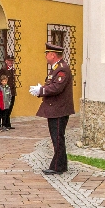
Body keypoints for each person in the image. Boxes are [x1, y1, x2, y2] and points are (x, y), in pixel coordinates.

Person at [30, 43, 74, 175]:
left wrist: (41, 90)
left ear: (53, 55)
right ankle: (61, 164)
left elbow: (56, 88)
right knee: (57, 137)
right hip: (55, 108)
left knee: (58, 138)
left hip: (58, 109)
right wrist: (41, 90)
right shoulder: (56, 68)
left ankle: (57, 166)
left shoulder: (62, 69)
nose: (45, 56)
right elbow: (52, 85)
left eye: (47, 54)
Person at [0, 56, 17, 129]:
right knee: (5, 108)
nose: (10, 62)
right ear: (6, 61)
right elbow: (0, 79)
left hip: (11, 91)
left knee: (10, 108)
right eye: (9, 61)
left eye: (12, 61)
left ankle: (7, 123)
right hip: (5, 91)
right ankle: (4, 124)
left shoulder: (13, 69)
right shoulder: (3, 69)